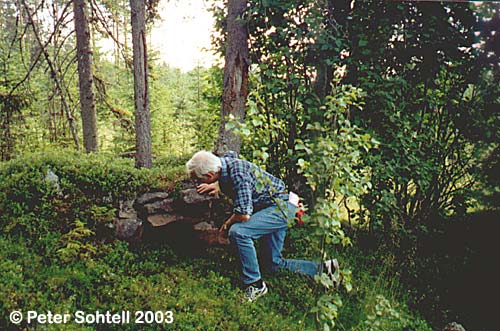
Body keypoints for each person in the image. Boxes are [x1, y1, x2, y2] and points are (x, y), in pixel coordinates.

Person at [186, 150, 339, 302]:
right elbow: (232, 154)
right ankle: (325, 269)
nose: (198, 183)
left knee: (239, 232)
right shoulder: (224, 162)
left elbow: (243, 214)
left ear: (209, 175)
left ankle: (255, 285)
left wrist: (226, 225)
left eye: (199, 180)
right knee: (272, 263)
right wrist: (218, 185)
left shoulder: (238, 176)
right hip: (276, 205)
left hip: (280, 208)